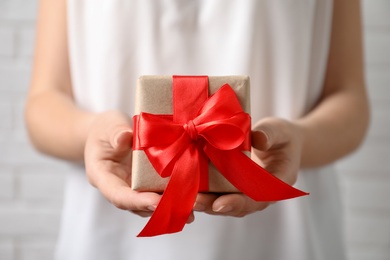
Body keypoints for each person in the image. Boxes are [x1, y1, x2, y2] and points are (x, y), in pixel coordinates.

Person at [25, 0, 369, 259]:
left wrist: (301, 140)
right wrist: (93, 132)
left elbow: (350, 100)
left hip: (286, 239)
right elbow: (43, 103)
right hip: (107, 241)